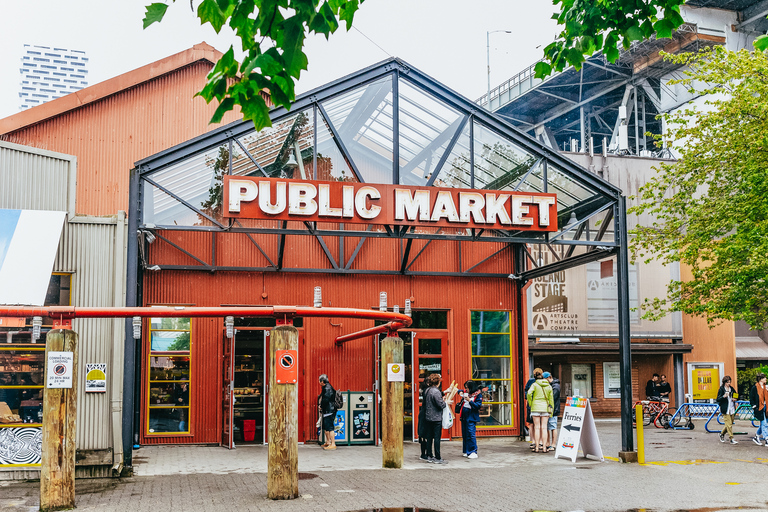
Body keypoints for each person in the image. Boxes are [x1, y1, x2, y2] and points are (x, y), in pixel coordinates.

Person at [423, 373, 452, 464]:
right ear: (438, 382)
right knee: (437, 438)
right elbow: (441, 405)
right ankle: (438, 457)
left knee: (429, 437)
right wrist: (446, 402)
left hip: (428, 417)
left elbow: (435, 397)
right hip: (436, 418)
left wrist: (444, 392)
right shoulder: (435, 391)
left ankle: (429, 455)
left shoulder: (427, 390)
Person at [526, 368, 554, 453]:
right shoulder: (548, 386)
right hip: (545, 408)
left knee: (537, 428)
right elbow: (551, 399)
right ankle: (545, 447)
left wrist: (531, 402)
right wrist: (551, 409)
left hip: (535, 407)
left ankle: (537, 447)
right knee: (544, 428)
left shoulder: (534, 385)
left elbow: (529, 393)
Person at [455, 380, 482, 459]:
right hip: (464, 415)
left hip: (471, 416)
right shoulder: (466, 393)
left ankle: (473, 451)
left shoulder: (478, 395)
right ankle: (467, 451)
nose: (466, 389)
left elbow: (477, 406)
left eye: (467, 388)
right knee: (465, 434)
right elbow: (459, 390)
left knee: (471, 434)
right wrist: (460, 393)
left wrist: (469, 401)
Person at [716, 375, 738, 444]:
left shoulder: (731, 388)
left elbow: (736, 395)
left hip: (731, 408)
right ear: (724, 382)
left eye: (729, 382)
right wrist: (723, 396)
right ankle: (731, 438)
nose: (729, 383)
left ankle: (721, 434)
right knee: (729, 425)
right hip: (725, 409)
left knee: (729, 423)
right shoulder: (721, 389)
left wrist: (735, 398)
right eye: (727, 382)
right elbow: (718, 399)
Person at [318, 374, 337, 450]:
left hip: (330, 410)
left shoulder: (328, 388)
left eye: (319, 381)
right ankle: (328, 442)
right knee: (326, 427)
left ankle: (333, 444)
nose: (319, 383)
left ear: (322, 381)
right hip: (327, 410)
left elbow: (325, 400)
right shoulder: (326, 387)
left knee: (330, 427)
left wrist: (321, 406)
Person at [524, 368, 541, 448]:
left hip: (531, 405)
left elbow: (526, 391)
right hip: (541, 405)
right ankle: (540, 442)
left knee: (531, 424)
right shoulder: (544, 382)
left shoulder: (531, 381)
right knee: (540, 424)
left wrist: (529, 400)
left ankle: (533, 441)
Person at [749, 373, 767, 446]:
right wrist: (754, 406)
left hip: (766, 407)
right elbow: (751, 397)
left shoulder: (766, 387)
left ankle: (757, 436)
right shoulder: (755, 388)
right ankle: (766, 439)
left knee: (763, 423)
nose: (766, 379)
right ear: (760, 379)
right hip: (760, 408)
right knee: (764, 423)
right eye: (764, 378)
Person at [546, 372, 561, 452]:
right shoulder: (553, 385)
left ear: (549, 377)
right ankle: (548, 443)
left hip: (554, 410)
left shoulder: (555, 387)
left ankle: (553, 444)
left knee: (553, 426)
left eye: (545, 379)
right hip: (551, 409)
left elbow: (553, 398)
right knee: (549, 427)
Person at [417, 379, 429, 461]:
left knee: (423, 435)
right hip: (426, 415)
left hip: (422, 414)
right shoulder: (428, 391)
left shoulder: (424, 391)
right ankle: (426, 454)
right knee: (426, 435)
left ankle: (423, 454)